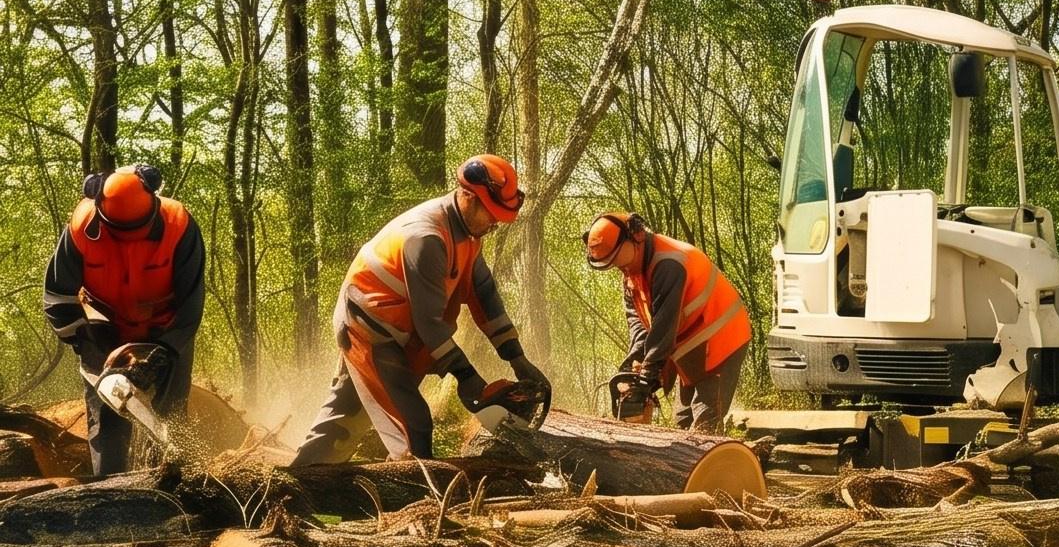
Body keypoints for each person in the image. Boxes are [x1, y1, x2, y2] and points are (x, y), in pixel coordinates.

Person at [293, 156, 551, 466]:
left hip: (398, 331)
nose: (495, 223)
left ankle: (298, 482)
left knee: (344, 416)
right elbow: (428, 323)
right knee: (413, 423)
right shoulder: (427, 238)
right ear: (468, 197)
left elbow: (484, 293)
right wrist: (466, 375)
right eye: (492, 214)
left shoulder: (468, 236)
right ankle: (419, 500)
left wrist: (516, 357)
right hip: (371, 330)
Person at [44, 166, 206, 478]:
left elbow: (191, 306)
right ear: (100, 213)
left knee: (170, 413)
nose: (130, 240)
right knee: (106, 418)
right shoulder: (81, 227)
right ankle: (110, 492)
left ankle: (174, 485)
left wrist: (163, 353)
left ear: (154, 208)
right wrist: (87, 340)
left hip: (167, 327)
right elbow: (56, 296)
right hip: (103, 324)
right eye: (120, 232)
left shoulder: (178, 225)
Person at [584, 211, 751, 430]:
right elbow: (638, 324)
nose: (618, 267)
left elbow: (664, 325)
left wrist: (647, 378)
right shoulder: (632, 274)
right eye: (610, 263)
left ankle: (726, 462)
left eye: (616, 259)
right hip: (693, 350)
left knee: (705, 422)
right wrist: (635, 358)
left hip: (721, 341)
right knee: (683, 421)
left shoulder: (668, 264)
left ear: (636, 236)